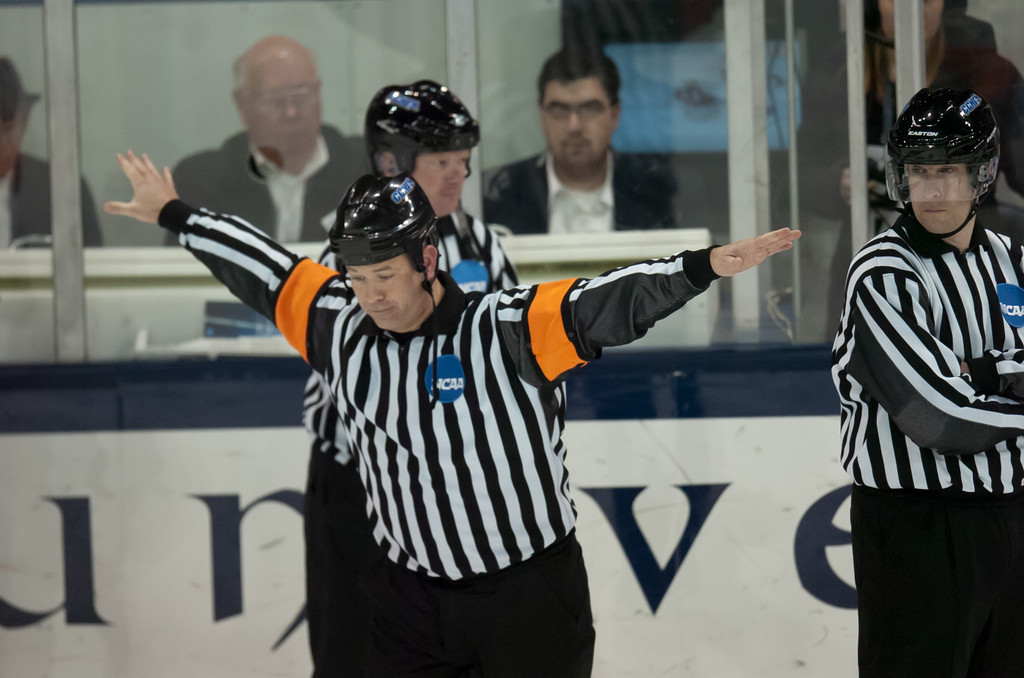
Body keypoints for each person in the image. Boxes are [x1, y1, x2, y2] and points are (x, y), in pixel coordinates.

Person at [105, 150, 798, 677]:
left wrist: (702, 267)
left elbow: (607, 302)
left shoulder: (505, 329)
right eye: (357, 279)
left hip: (525, 600)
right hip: (408, 602)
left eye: (385, 277)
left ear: (428, 260)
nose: (369, 296)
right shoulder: (339, 330)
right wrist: (175, 214)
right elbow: (267, 270)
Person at [302, 80, 518, 677]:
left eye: (463, 164)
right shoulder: (345, 253)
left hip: (459, 487)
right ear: (391, 163)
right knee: (352, 656)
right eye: (441, 162)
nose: (457, 177)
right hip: (359, 485)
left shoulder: (483, 246)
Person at [832, 88, 1024, 677]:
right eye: (919, 170)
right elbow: (936, 416)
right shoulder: (883, 273)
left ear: (981, 173)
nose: (932, 190)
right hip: (916, 526)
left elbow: (965, 396)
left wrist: (979, 372)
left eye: (948, 171)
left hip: (1009, 518)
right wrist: (1004, 374)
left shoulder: (1012, 258)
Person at [798, 0, 1024, 339]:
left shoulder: (990, 76)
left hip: (970, 263)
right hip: (869, 259)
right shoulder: (837, 76)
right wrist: (837, 184)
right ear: (873, 7)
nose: (915, 9)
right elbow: (794, 182)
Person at [167, 36, 367, 244]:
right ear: (242, 104)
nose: (291, 112)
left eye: (302, 94)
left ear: (318, 91)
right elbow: (180, 269)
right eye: (275, 99)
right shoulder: (204, 179)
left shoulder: (365, 167)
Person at [482, 48, 678, 234]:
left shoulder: (656, 191)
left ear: (614, 116)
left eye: (589, 108)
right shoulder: (498, 193)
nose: (574, 126)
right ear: (542, 117)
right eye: (559, 110)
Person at [0, 56, 101, 248]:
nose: (1, 142)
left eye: (7, 128)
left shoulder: (63, 190)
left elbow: (93, 266)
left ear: (25, 119)